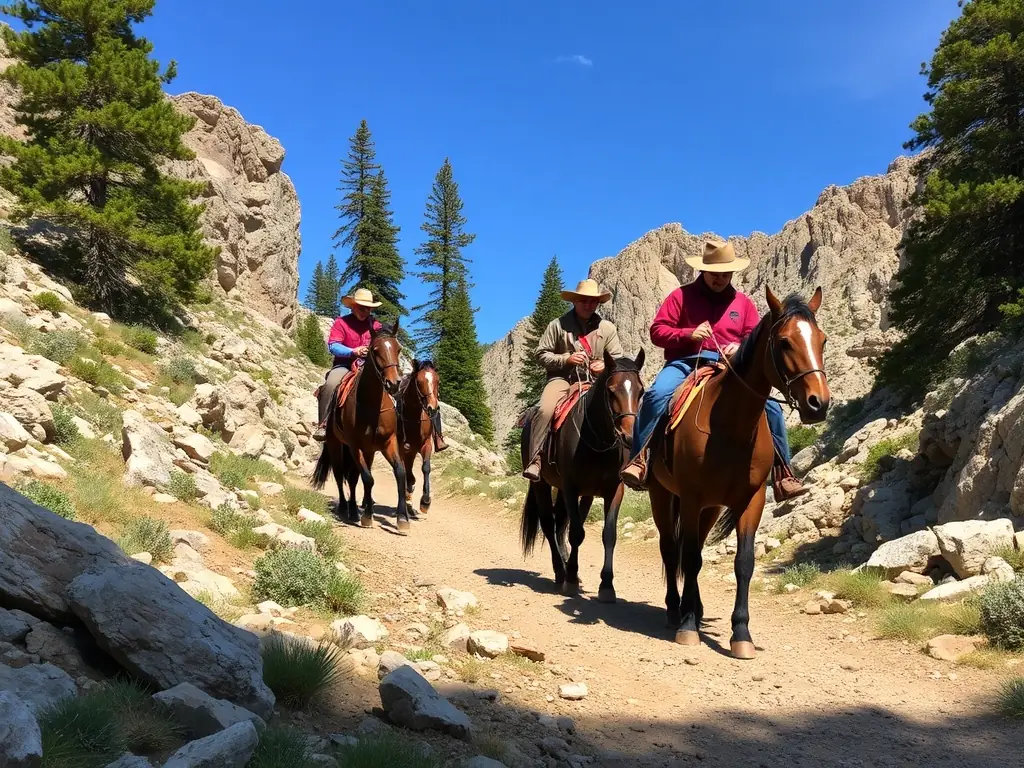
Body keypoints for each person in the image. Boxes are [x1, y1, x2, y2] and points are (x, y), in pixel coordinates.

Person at [618, 240, 809, 501]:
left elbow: (752, 338)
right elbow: (657, 331)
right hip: (685, 362)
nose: (720, 279)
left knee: (772, 407)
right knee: (656, 394)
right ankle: (639, 459)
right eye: (715, 274)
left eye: (725, 274)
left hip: (730, 367)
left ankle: (783, 473)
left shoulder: (742, 303)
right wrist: (688, 334)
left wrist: (738, 347)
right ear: (703, 271)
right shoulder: (680, 297)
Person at [522, 278, 624, 482]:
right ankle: (536, 459)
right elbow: (540, 354)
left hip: (596, 383)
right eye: (584, 301)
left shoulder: (607, 329)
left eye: (593, 301)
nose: (588, 305)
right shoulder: (557, 325)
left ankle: (629, 462)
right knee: (544, 409)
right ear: (575, 301)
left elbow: (618, 359)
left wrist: (604, 366)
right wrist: (565, 359)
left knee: (624, 408)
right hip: (562, 380)